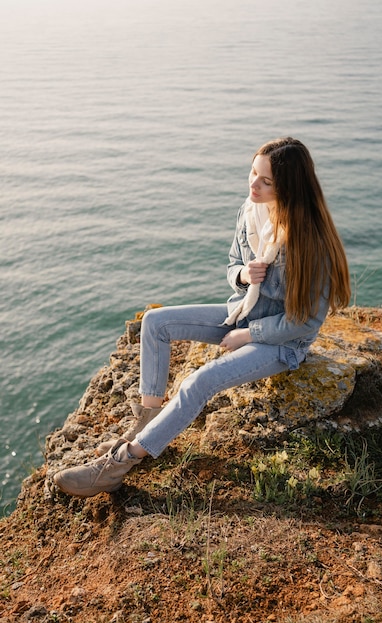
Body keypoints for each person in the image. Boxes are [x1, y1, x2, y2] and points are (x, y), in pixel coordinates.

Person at [53, 137, 351, 498]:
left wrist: (249, 335)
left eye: (265, 181)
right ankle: (148, 424)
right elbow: (232, 263)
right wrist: (242, 276)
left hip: (282, 342)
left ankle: (118, 465)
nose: (253, 185)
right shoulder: (251, 211)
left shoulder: (310, 241)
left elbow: (305, 323)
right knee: (154, 323)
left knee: (199, 381)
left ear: (290, 187)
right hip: (242, 310)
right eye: (252, 173)